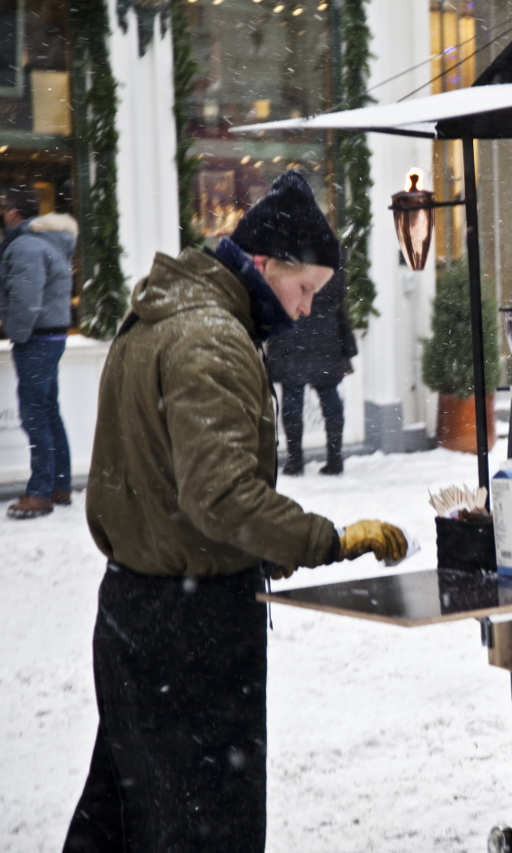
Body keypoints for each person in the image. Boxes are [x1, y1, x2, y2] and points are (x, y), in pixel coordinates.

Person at [63, 170, 408, 852]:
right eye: (306, 289)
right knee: (201, 823)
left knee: (127, 815)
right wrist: (328, 539)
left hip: (139, 610)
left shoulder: (168, 316)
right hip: (192, 627)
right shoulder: (211, 340)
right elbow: (220, 495)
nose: (308, 310)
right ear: (268, 263)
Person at [0, 183, 77, 519]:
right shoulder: (44, 243)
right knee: (47, 410)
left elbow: (26, 299)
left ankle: (40, 491)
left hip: (36, 340)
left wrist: (14, 333)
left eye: (4, 207)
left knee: (35, 415)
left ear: (15, 213)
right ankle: (58, 484)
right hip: (51, 337)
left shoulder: (26, 247)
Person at [267, 266, 357, 475]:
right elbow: (339, 296)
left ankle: (295, 461)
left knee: (293, 399)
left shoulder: (286, 255)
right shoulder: (329, 254)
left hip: (292, 333)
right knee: (329, 397)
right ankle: (335, 459)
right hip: (325, 336)